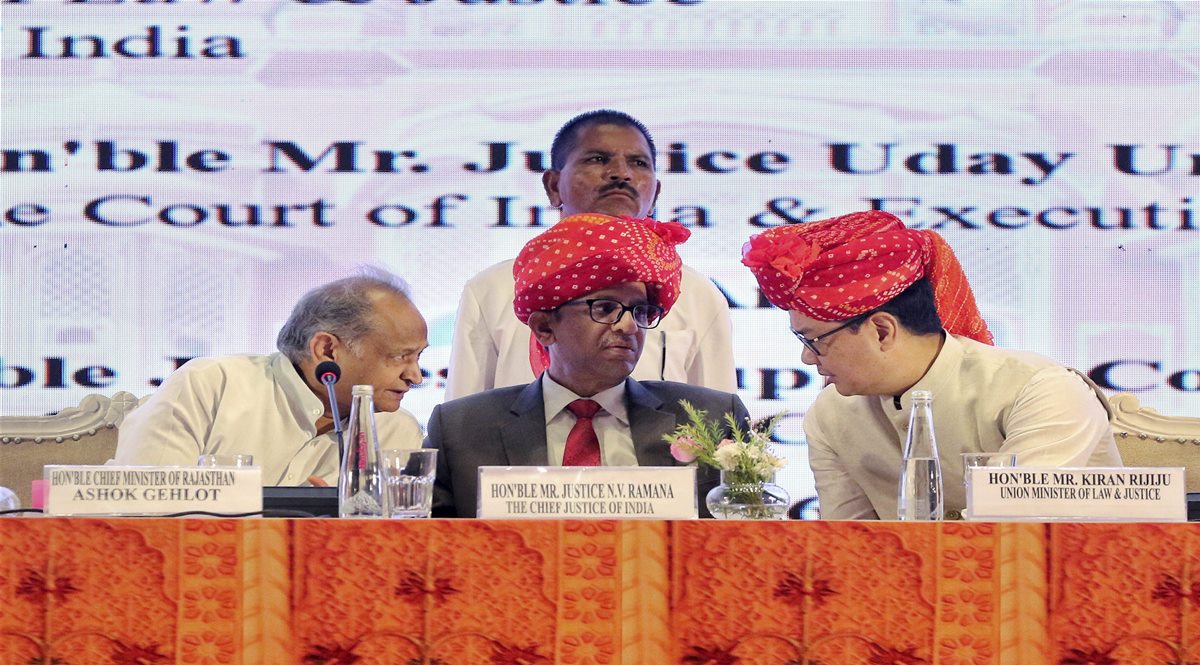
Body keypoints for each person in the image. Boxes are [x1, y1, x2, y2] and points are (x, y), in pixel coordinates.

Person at [742, 210, 1122, 520]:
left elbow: (1012, 528)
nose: (807, 358)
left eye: (815, 340)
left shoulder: (1037, 387)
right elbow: (848, 545)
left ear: (881, 331)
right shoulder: (832, 413)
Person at [427, 214, 749, 518]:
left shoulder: (714, 416)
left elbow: (750, 541)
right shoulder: (462, 429)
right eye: (606, 308)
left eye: (640, 312)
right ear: (544, 328)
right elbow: (422, 548)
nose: (629, 327)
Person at [444, 109, 736, 399]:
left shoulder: (697, 294)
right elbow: (461, 425)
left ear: (655, 193)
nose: (621, 174)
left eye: (638, 163)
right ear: (553, 186)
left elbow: (719, 431)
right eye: (598, 159)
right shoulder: (492, 289)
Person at [114, 267, 428, 486]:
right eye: (399, 357)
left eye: (418, 357)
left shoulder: (397, 433)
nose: (415, 376)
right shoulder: (210, 387)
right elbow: (144, 505)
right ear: (327, 350)